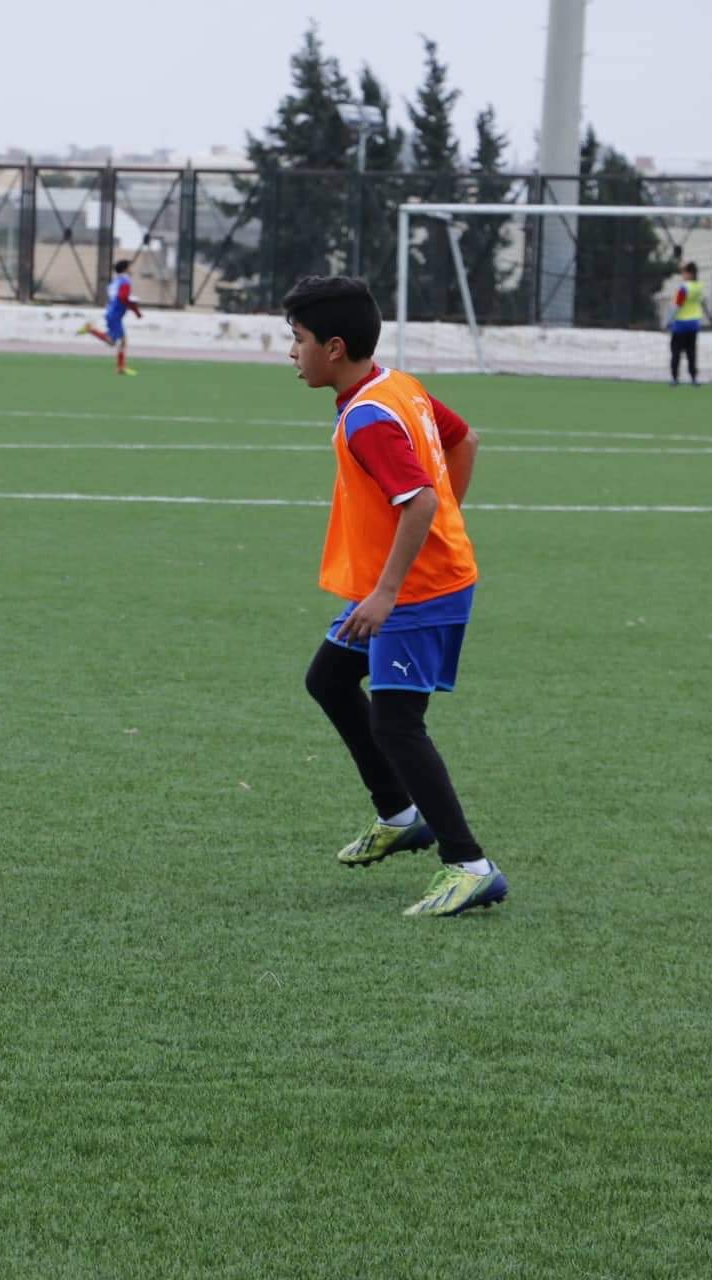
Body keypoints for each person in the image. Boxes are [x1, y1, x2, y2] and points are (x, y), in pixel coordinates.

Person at [284, 275, 506, 918]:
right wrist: (437, 530)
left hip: (417, 592)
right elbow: (465, 439)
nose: (290, 354)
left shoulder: (368, 418)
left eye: (296, 341)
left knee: (396, 722)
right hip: (409, 580)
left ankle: (469, 865)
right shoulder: (395, 384)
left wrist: (386, 591)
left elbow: (422, 499)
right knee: (329, 679)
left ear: (333, 347)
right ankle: (400, 813)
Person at [79, 258, 144, 375]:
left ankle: (121, 368)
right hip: (115, 315)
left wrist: (131, 306)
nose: (131, 269)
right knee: (113, 342)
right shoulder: (125, 281)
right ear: (125, 269)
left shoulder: (116, 281)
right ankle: (91, 329)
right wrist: (136, 310)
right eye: (130, 267)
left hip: (113, 313)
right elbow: (123, 298)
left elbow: (117, 297)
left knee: (121, 341)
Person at [668, 260, 706, 386]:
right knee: (691, 352)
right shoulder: (699, 286)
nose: (682, 274)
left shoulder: (684, 288)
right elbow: (701, 301)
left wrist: (668, 320)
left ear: (689, 274)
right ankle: (694, 378)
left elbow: (677, 305)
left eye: (684, 272)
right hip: (694, 323)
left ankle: (674, 378)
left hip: (680, 324)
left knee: (676, 352)